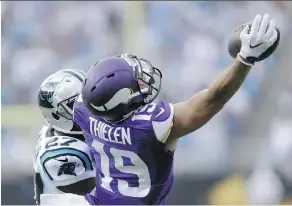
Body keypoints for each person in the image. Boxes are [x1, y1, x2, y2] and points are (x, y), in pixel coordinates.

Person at [73, 13, 278, 205]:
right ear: (123, 102)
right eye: (138, 83)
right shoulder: (151, 125)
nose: (144, 81)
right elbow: (213, 99)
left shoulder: (84, 109)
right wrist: (245, 58)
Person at [34, 69, 95, 205]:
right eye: (77, 104)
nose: (88, 107)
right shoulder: (66, 154)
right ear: (57, 115)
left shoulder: (55, 128)